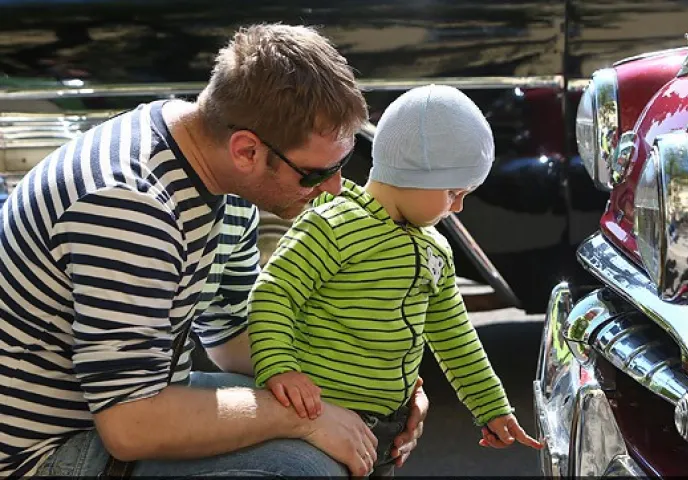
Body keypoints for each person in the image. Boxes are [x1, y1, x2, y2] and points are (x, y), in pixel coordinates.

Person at [0, 23, 428, 478]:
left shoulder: (220, 172)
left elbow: (230, 335)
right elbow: (131, 426)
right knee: (305, 468)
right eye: (314, 173)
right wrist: (302, 419)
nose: (334, 188)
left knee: (356, 428)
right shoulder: (130, 204)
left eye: (343, 164)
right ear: (247, 150)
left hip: (121, 403)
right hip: (41, 450)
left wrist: (376, 390)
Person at [248, 84, 543, 478]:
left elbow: (454, 335)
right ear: (414, 172)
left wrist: (491, 406)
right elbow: (273, 293)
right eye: (453, 191)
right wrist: (279, 367)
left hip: (388, 428)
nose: (458, 206)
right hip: (320, 417)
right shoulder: (332, 225)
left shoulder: (435, 249)